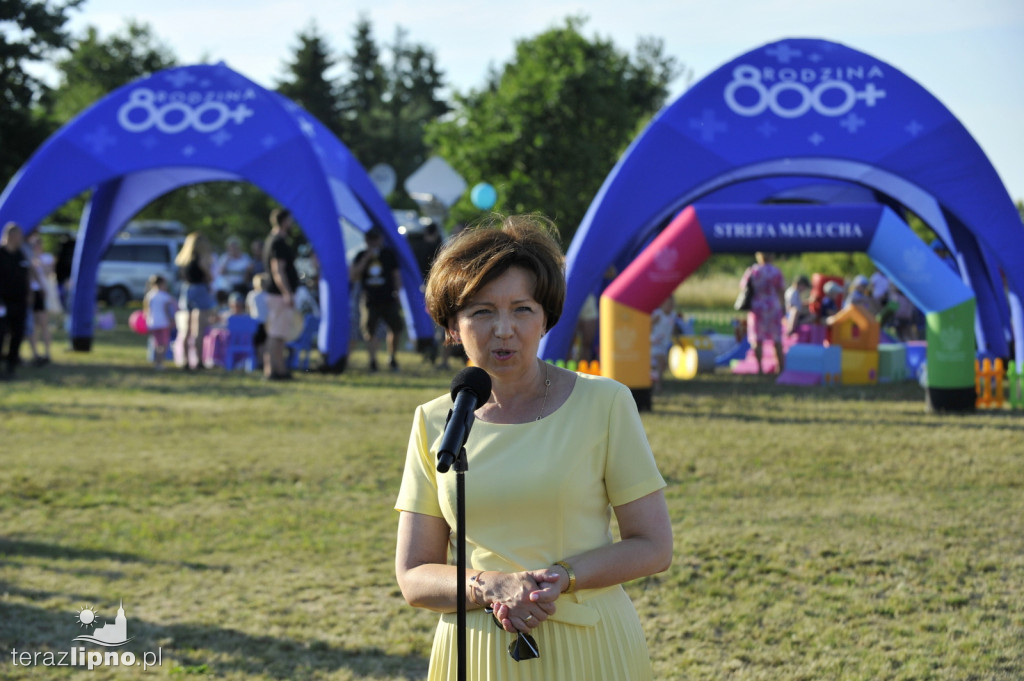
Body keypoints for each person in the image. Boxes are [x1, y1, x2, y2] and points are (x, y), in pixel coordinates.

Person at [394, 214, 673, 681]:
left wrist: (561, 577)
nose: (504, 329)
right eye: (481, 311)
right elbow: (414, 575)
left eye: (521, 309)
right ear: (452, 325)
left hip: (591, 650)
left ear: (546, 317)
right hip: (476, 654)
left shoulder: (605, 402)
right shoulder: (433, 421)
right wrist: (489, 586)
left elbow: (652, 545)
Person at [350, 227, 404, 372]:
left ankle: (392, 357)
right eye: (370, 239)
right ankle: (373, 361)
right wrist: (366, 258)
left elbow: (396, 275)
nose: (373, 242)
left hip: (388, 298)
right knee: (370, 331)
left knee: (395, 329)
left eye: (375, 239)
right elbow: (353, 275)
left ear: (380, 239)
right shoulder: (361, 255)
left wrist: (399, 293)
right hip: (369, 299)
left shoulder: (388, 254)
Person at [262, 208, 300, 380]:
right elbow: (278, 271)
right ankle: (275, 370)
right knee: (277, 333)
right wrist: (287, 293)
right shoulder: (278, 242)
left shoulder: (272, 240)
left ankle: (276, 369)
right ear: (284, 221)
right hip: (278, 295)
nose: (292, 224)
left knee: (278, 333)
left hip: (275, 294)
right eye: (290, 220)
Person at [738, 252, 785, 374]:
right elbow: (781, 290)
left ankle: (759, 368)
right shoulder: (776, 271)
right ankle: (781, 367)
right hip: (773, 306)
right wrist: (783, 307)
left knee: (757, 339)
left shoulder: (753, 271)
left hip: (757, 307)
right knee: (777, 338)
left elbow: (743, 287)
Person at [174, 232, 216, 370]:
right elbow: (210, 277)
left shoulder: (183, 259)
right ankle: (198, 361)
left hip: (187, 290)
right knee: (199, 329)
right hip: (200, 290)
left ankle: (186, 361)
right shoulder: (201, 259)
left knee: (186, 329)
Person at [0, 223, 32, 380]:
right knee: (1, 334)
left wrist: (29, 294)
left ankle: (11, 367)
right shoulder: (1, 254)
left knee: (17, 334)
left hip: (19, 301)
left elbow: (27, 276)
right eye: (19, 236)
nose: (21, 239)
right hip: (2, 302)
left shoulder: (20, 254)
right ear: (11, 236)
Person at [143, 274, 175, 370]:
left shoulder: (149, 295)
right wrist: (171, 320)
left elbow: (146, 310)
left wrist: (147, 320)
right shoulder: (165, 296)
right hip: (163, 323)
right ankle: (160, 363)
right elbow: (168, 309)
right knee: (164, 344)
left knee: (156, 343)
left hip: (153, 323)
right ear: (161, 284)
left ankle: (156, 362)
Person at [650, 295, 679, 392]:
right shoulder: (658, 315)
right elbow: (648, 326)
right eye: (668, 304)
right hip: (655, 343)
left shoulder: (673, 315)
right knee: (660, 361)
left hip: (664, 344)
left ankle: (654, 379)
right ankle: (658, 384)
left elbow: (672, 329)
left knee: (663, 365)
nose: (670, 306)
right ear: (661, 304)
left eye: (671, 304)